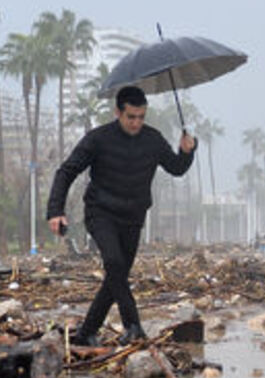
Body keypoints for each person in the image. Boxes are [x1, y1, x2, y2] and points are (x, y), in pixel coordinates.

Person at [46, 86, 196, 346]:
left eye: (141, 116)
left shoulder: (153, 139)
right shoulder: (98, 139)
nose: (137, 122)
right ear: (118, 112)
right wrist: (55, 211)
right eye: (131, 117)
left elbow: (176, 168)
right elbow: (66, 171)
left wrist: (186, 151)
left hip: (133, 217)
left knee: (117, 277)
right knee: (114, 264)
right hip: (100, 213)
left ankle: (87, 332)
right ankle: (133, 325)